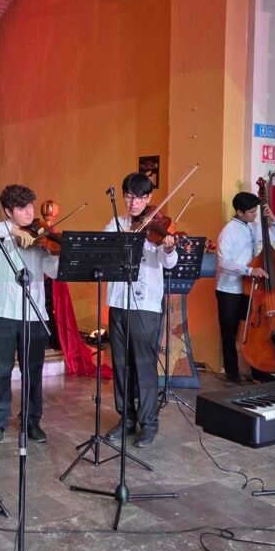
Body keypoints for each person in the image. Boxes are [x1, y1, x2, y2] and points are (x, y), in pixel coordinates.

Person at [103, 173, 178, 448]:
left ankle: (149, 424)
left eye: (140, 197)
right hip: (117, 302)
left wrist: (168, 249)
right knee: (121, 366)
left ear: (149, 198)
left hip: (145, 305)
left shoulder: (158, 226)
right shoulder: (115, 224)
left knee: (144, 366)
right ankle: (126, 419)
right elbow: (103, 253)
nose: (133, 202)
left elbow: (169, 264)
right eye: (129, 196)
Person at [0, 184, 59, 445]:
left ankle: (32, 421)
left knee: (33, 371)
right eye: (22, 208)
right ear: (8, 211)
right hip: (1, 312)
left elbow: (53, 272)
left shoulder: (40, 237)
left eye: (30, 207)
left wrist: (56, 252)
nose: (29, 213)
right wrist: (13, 230)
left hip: (34, 313)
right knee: (0, 370)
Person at [215, 191, 275, 381]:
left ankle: (257, 369)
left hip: (250, 288)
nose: (254, 215)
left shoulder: (254, 225)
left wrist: (273, 219)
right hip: (229, 289)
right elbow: (224, 262)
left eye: (255, 211)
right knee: (229, 332)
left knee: (252, 331)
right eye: (251, 212)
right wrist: (249, 270)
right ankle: (231, 372)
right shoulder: (228, 231)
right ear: (239, 212)